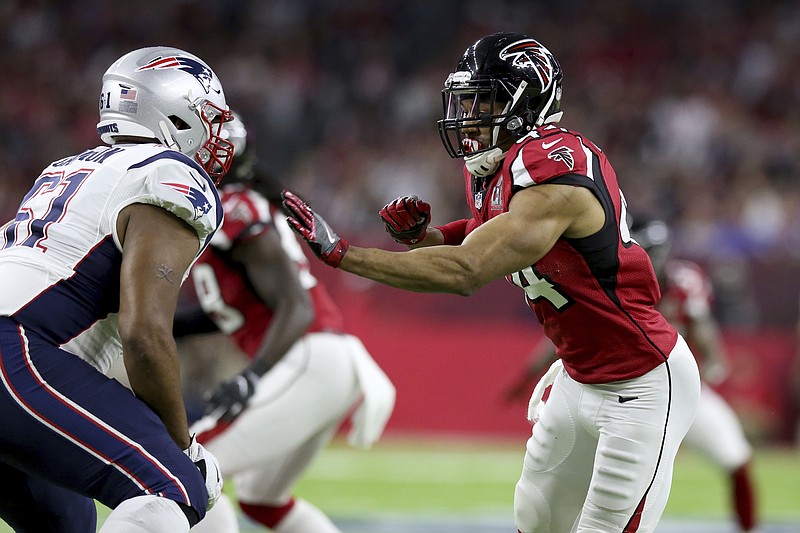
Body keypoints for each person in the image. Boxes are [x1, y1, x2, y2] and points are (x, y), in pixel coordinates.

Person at [281, 32, 702, 532]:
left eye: (486, 100)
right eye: (468, 99)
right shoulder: (499, 168)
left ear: (528, 102)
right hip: (577, 376)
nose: (471, 113)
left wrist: (343, 254)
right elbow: (488, 235)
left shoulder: (554, 170)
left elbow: (467, 270)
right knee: (536, 519)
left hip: (642, 381)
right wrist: (430, 236)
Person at [0, 46, 232, 532]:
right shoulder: (169, 173)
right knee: (173, 488)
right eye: (209, 117)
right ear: (175, 112)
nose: (218, 134)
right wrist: (183, 448)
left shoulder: (65, 169)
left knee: (68, 522)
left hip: (19, 356)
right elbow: (144, 334)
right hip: (16, 353)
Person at [173, 113, 396, 533]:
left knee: (189, 465)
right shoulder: (231, 206)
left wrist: (250, 378)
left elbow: (298, 307)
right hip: (321, 361)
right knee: (262, 499)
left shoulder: (234, 208)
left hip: (311, 357)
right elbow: (231, 312)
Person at [505, 218, 760, 531]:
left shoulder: (683, 283)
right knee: (580, 490)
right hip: (618, 394)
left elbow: (706, 336)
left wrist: (711, 370)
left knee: (735, 457)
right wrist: (526, 376)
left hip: (675, 387)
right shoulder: (612, 280)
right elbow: (566, 335)